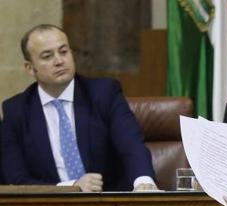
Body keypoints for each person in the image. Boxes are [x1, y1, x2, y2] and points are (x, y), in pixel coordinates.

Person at [1, 24, 157, 192]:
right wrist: (71, 188)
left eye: (63, 51)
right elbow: (16, 179)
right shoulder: (15, 111)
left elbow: (131, 145)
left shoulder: (104, 94)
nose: (59, 61)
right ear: (30, 68)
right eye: (47, 56)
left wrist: (143, 182)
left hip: (109, 205)